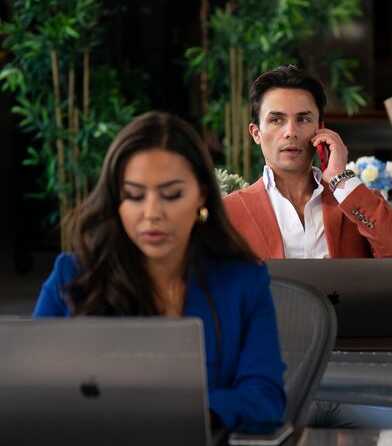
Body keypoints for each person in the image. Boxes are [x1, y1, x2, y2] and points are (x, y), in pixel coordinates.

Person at [223, 65, 392, 446]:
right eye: (276, 120)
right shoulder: (230, 213)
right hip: (277, 382)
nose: (290, 132)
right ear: (256, 133)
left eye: (303, 119)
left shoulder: (350, 200)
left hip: (357, 375)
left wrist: (341, 179)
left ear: (321, 130)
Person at [34, 111, 286, 429]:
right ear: (116, 200)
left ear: (201, 194)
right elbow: (31, 389)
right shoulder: (72, 276)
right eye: (134, 196)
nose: (152, 213)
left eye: (171, 195)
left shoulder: (243, 282)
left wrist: (178, 417)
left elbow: (265, 397)